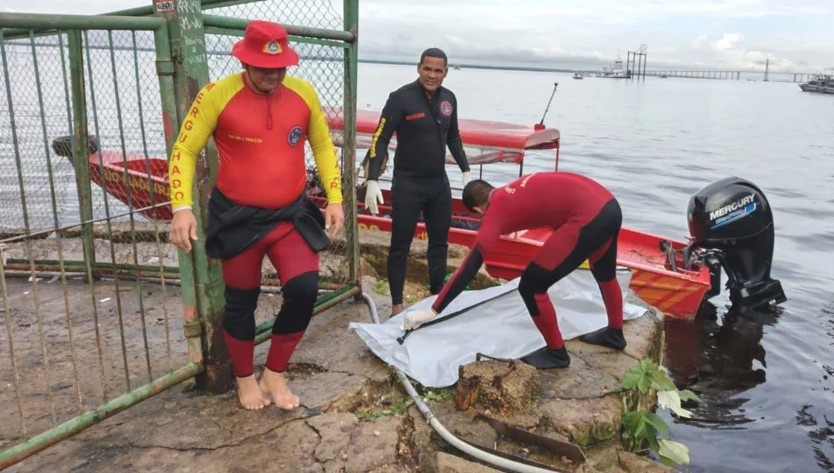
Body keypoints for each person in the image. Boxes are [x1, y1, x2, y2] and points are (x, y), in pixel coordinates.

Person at [167, 20, 344, 411]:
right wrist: (181, 207)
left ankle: (275, 374)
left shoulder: (302, 93)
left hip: (290, 214)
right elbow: (184, 149)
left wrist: (336, 198)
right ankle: (246, 380)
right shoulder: (217, 94)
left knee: (304, 291)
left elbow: (323, 146)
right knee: (239, 302)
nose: (273, 75)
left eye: (280, 67)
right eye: (265, 68)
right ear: (245, 62)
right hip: (238, 217)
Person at [402, 171, 627, 369]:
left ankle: (556, 353)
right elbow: (554, 209)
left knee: (531, 285)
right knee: (604, 273)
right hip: (608, 205)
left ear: (478, 209)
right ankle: (615, 334)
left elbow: (471, 265)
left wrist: (433, 310)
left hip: (588, 216)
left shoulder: (495, 211)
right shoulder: (517, 186)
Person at [363, 48, 471, 317]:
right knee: (401, 245)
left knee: (439, 244)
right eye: (427, 69)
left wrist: (466, 172)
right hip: (408, 184)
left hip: (438, 184)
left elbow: (453, 137)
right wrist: (372, 178)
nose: (432, 75)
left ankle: (436, 301)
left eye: (438, 70)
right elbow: (381, 138)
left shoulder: (449, 99)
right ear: (418, 68)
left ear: (446, 73)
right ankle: (397, 305)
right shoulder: (401, 98)